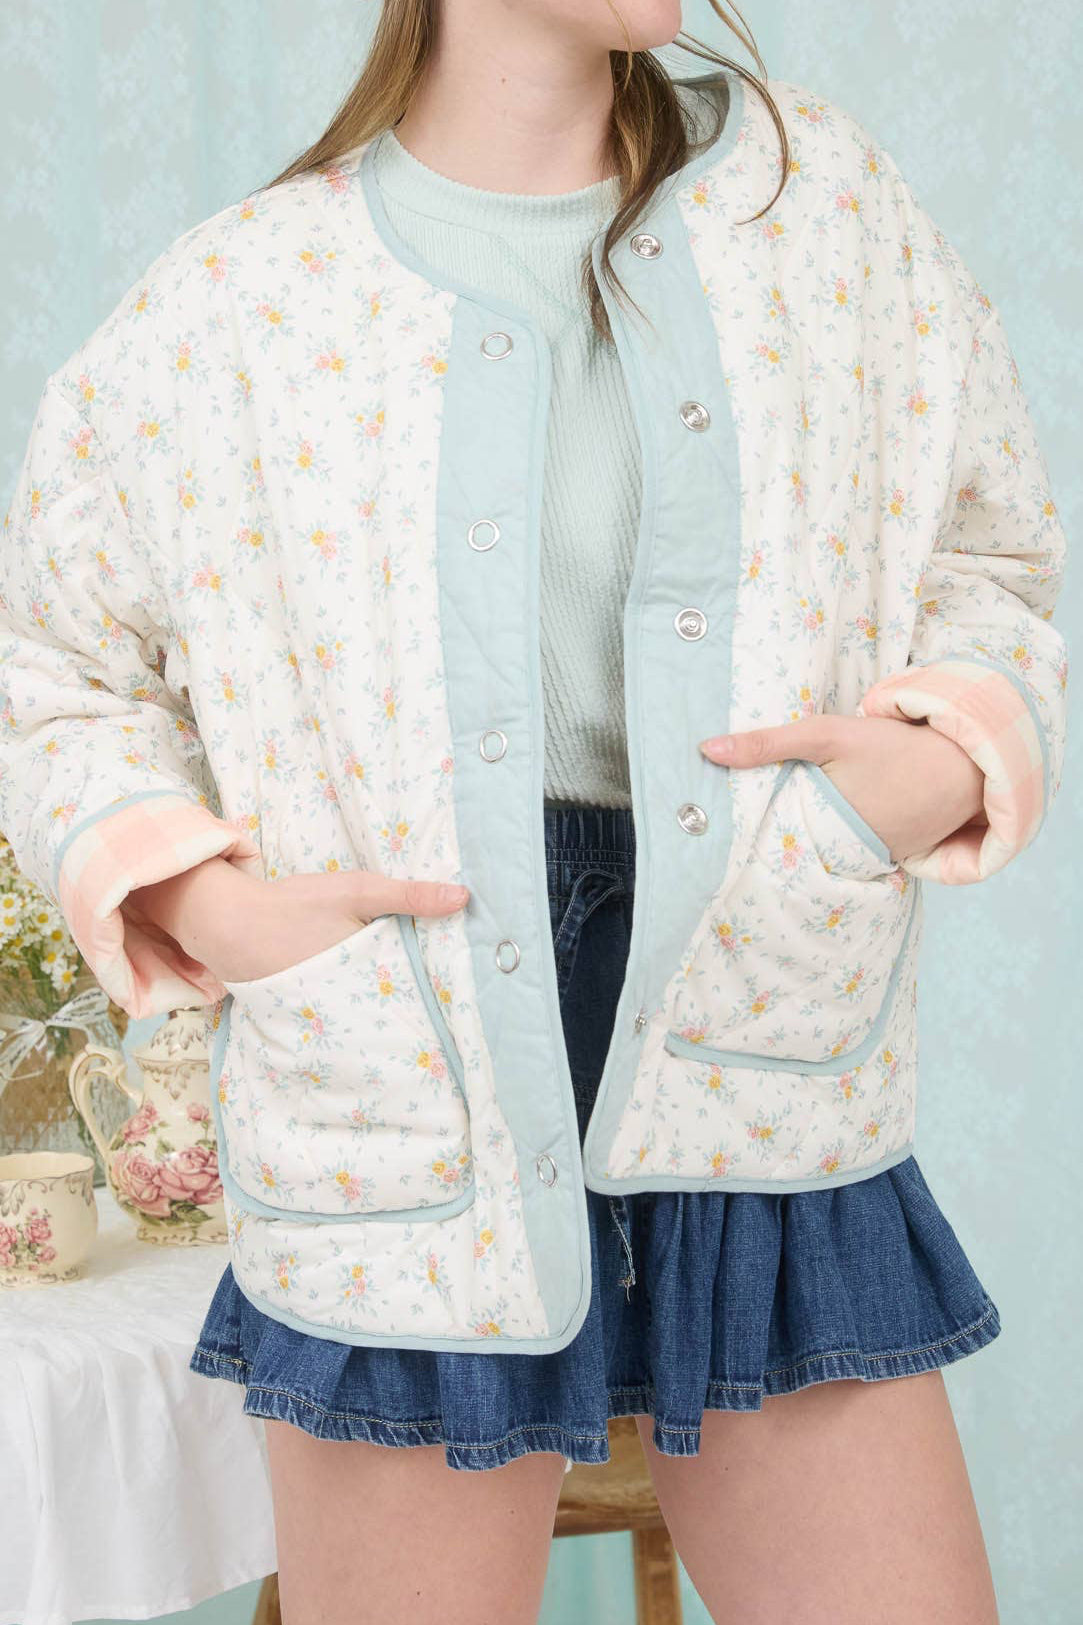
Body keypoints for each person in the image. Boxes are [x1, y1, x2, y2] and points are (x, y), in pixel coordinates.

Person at [0, 2, 1067, 1621]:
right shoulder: (244, 300)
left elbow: (992, 547)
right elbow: (56, 664)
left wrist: (927, 769)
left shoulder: (816, 203)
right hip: (404, 1065)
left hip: (763, 1021)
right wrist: (215, 907)